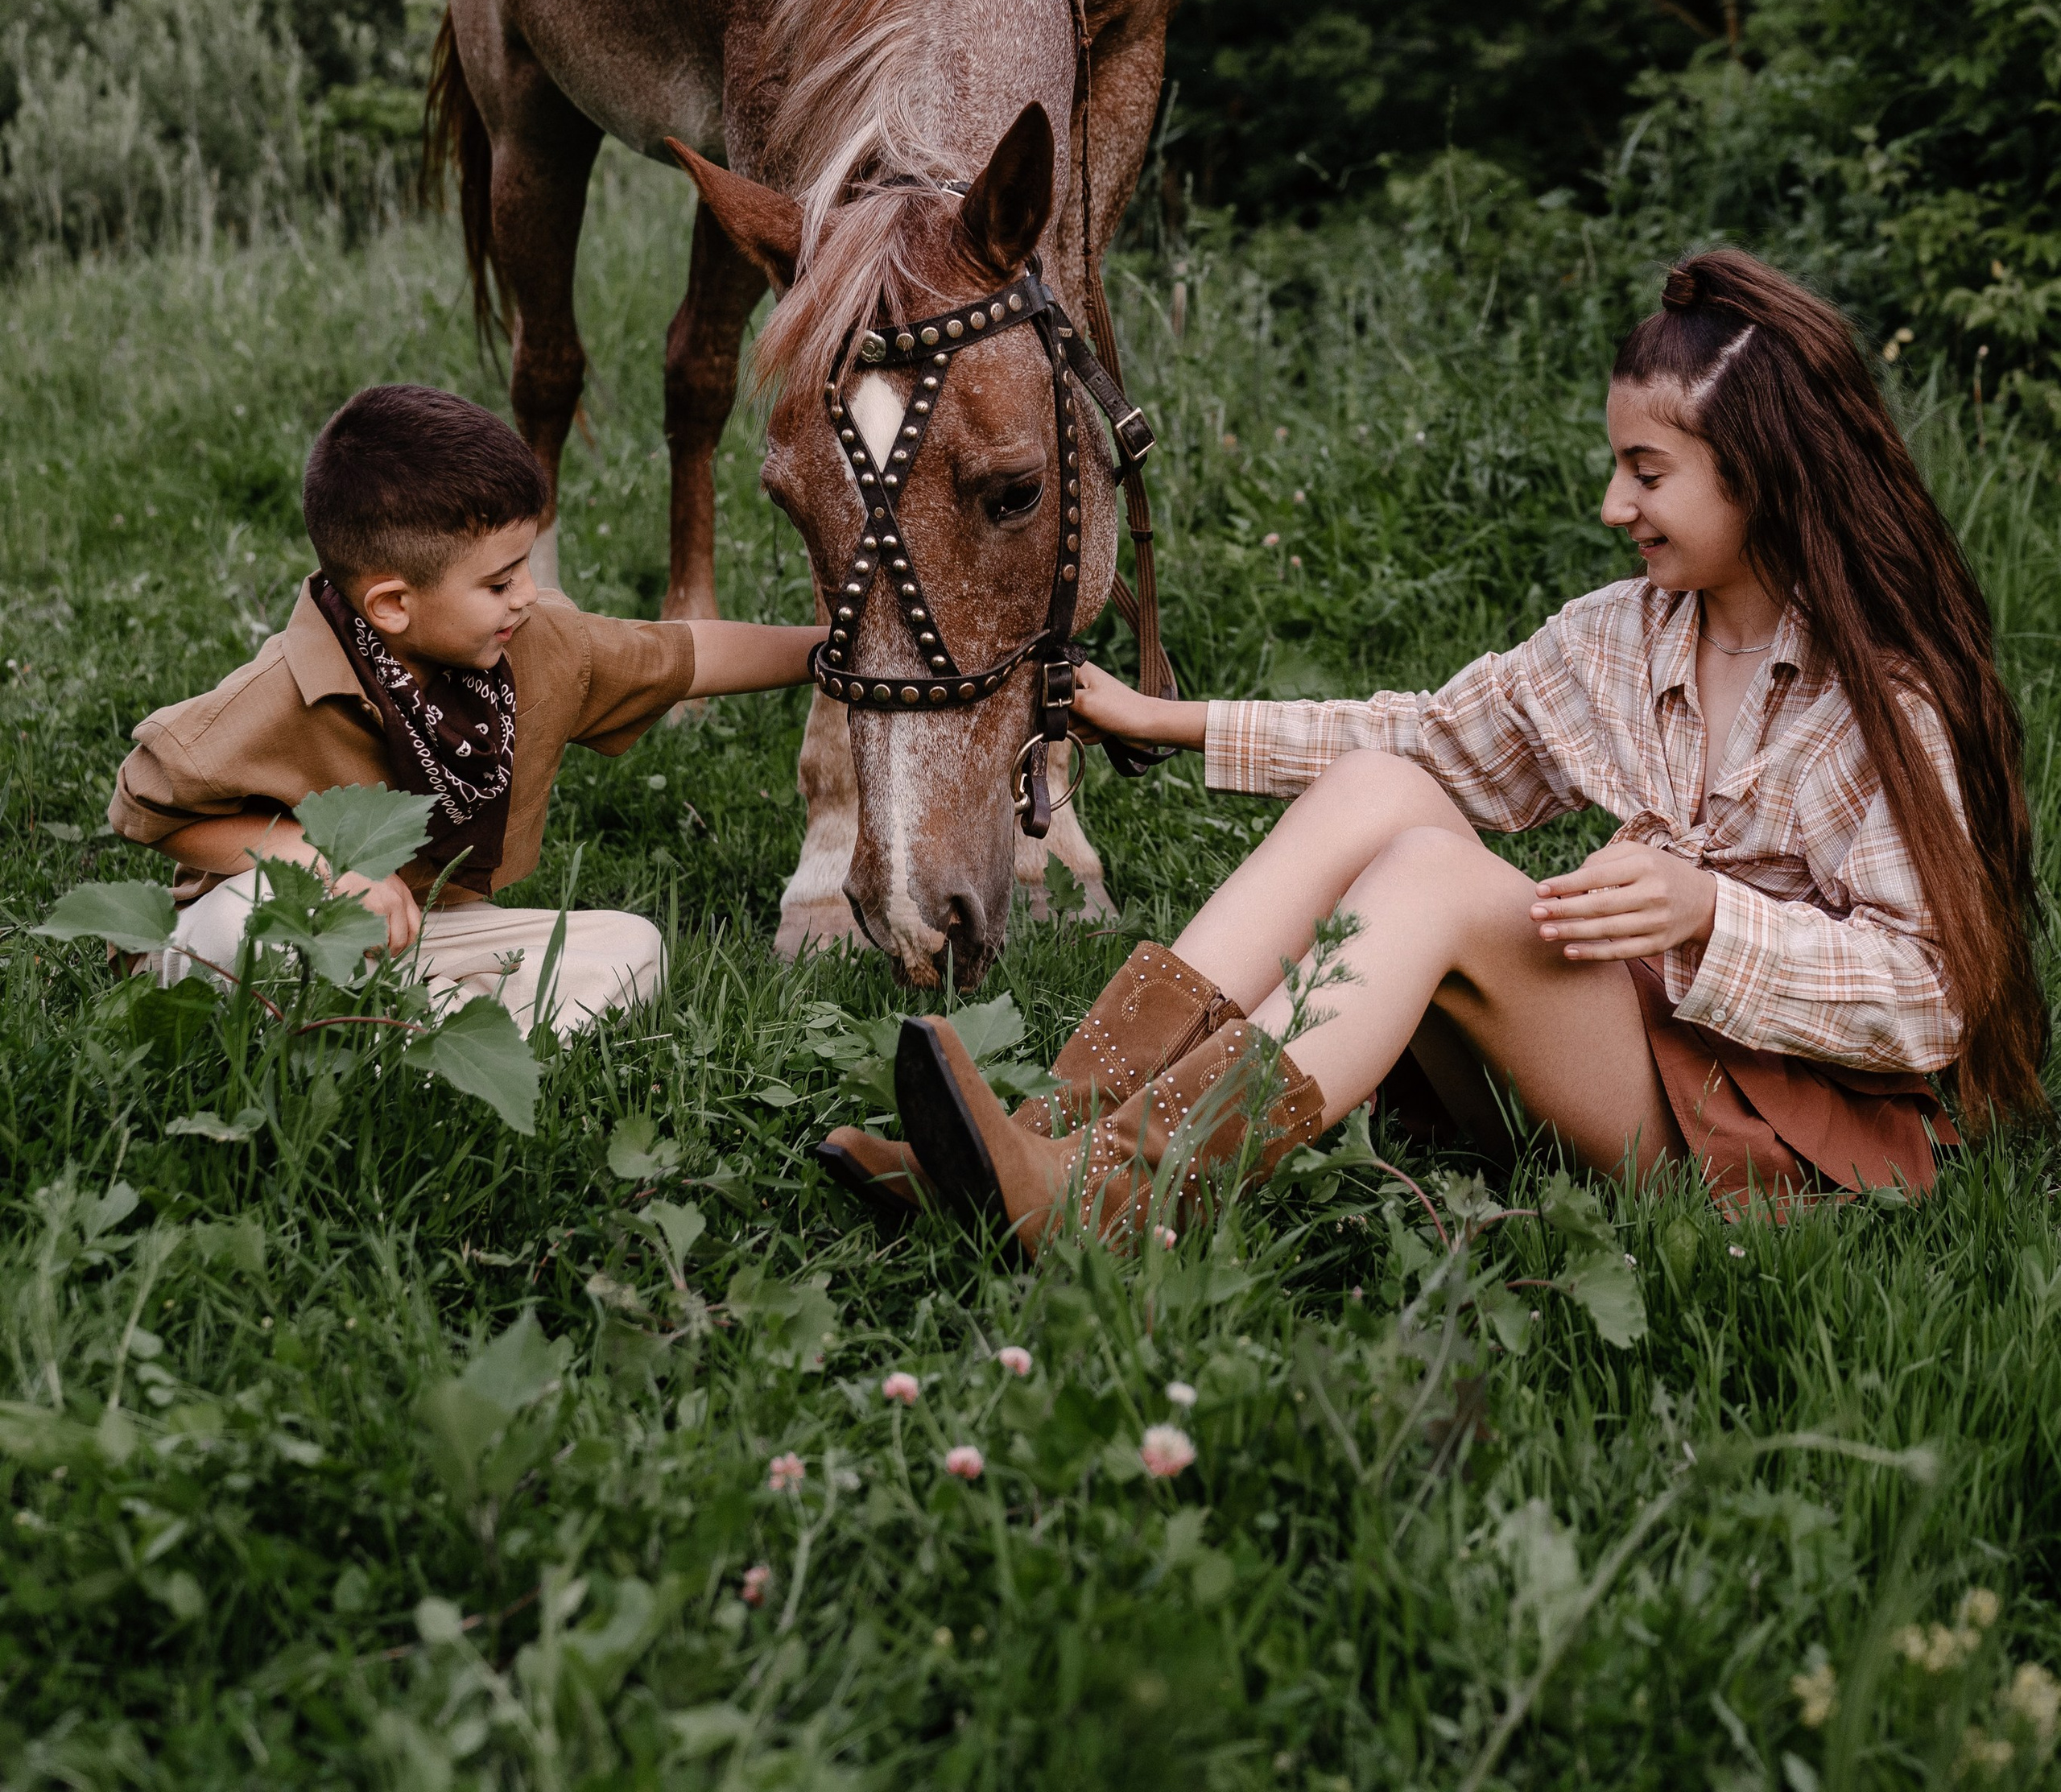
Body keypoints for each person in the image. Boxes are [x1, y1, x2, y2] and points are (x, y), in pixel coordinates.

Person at [871, 251, 2048, 1243]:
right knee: (1388, 785)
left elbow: (1934, 995)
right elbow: (1427, 741)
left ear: (1768, 477)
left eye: (1648, 473)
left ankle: (1115, 1198)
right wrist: (1160, 719)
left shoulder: (1879, 702)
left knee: (1438, 876)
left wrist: (1705, 914)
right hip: (1633, 1056)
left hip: (1770, 1126)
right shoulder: (1625, 638)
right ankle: (1033, 1146)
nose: (1612, 505)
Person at [108, 383, 816, 1033]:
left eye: (526, 567)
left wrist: (839, 650)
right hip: (290, 921)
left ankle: (431, 1037)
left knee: (633, 948)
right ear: (393, 605)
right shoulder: (284, 691)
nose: (528, 594)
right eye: (501, 581)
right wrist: (322, 863)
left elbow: (682, 655)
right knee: (253, 931)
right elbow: (147, 801)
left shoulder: (535, 647)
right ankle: (421, 1035)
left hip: (423, 932)